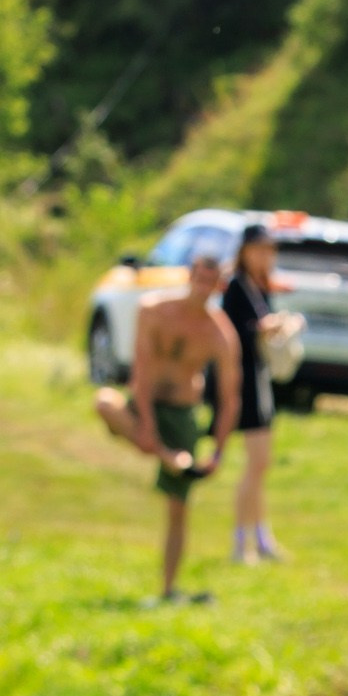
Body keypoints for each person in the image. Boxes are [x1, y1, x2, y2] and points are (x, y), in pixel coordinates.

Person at [94, 248, 242, 601]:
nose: (203, 287)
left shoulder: (219, 334)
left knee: (178, 510)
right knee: (103, 402)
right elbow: (141, 372)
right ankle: (167, 456)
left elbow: (230, 397)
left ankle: (168, 590)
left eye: (211, 282)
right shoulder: (154, 310)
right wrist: (145, 425)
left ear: (218, 286)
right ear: (189, 276)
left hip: (180, 414)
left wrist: (219, 452)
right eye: (199, 278)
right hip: (143, 403)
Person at [221, 224, 296, 564]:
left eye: (270, 249)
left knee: (262, 464)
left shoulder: (259, 286)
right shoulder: (236, 286)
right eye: (259, 248)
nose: (265, 255)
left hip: (259, 375)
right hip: (243, 379)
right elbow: (247, 330)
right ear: (245, 250)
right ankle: (242, 543)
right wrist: (280, 324)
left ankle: (262, 537)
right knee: (255, 464)